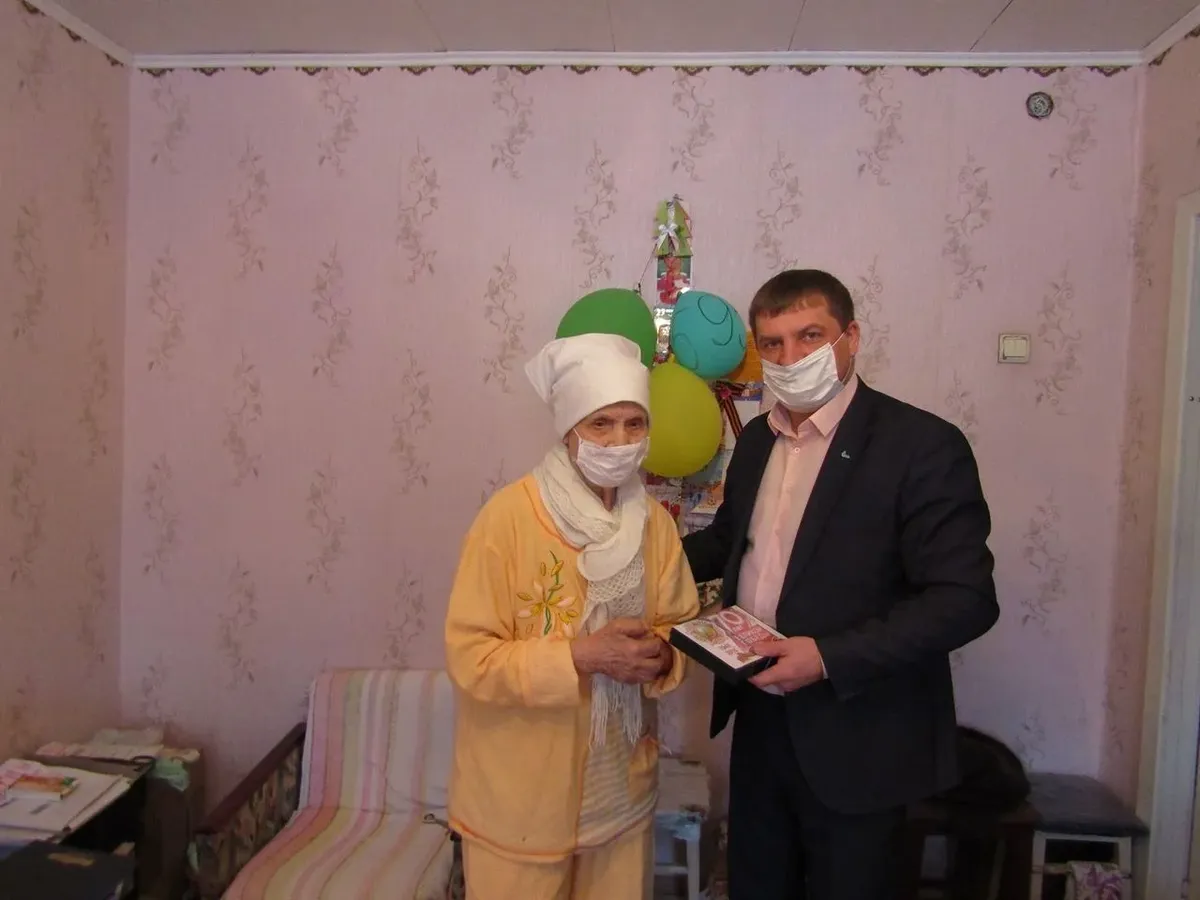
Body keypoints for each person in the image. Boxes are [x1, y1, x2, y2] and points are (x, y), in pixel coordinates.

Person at [683, 269, 999, 900]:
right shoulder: (757, 442)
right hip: (760, 716)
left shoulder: (921, 445)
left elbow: (965, 599)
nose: (790, 357)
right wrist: (633, 563)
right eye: (773, 344)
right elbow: (729, 541)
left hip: (863, 733)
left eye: (810, 336)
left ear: (850, 338)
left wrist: (828, 657)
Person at [445, 332, 701, 900]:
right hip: (519, 806)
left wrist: (659, 657)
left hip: (621, 798)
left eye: (634, 424)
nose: (620, 441)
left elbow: (680, 627)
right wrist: (582, 657)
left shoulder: (654, 524)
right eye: (601, 424)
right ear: (568, 430)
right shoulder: (508, 519)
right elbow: (471, 658)